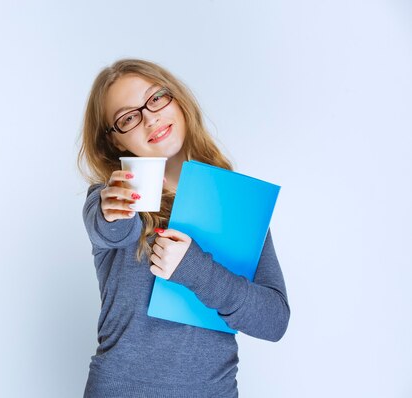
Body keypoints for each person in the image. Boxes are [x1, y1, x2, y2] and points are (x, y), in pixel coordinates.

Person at [76, 58, 290, 397]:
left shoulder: (236, 201)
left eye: (156, 98)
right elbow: (110, 228)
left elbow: (274, 321)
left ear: (177, 100)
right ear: (116, 141)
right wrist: (112, 207)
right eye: (129, 117)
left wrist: (195, 269)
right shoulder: (114, 198)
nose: (151, 117)